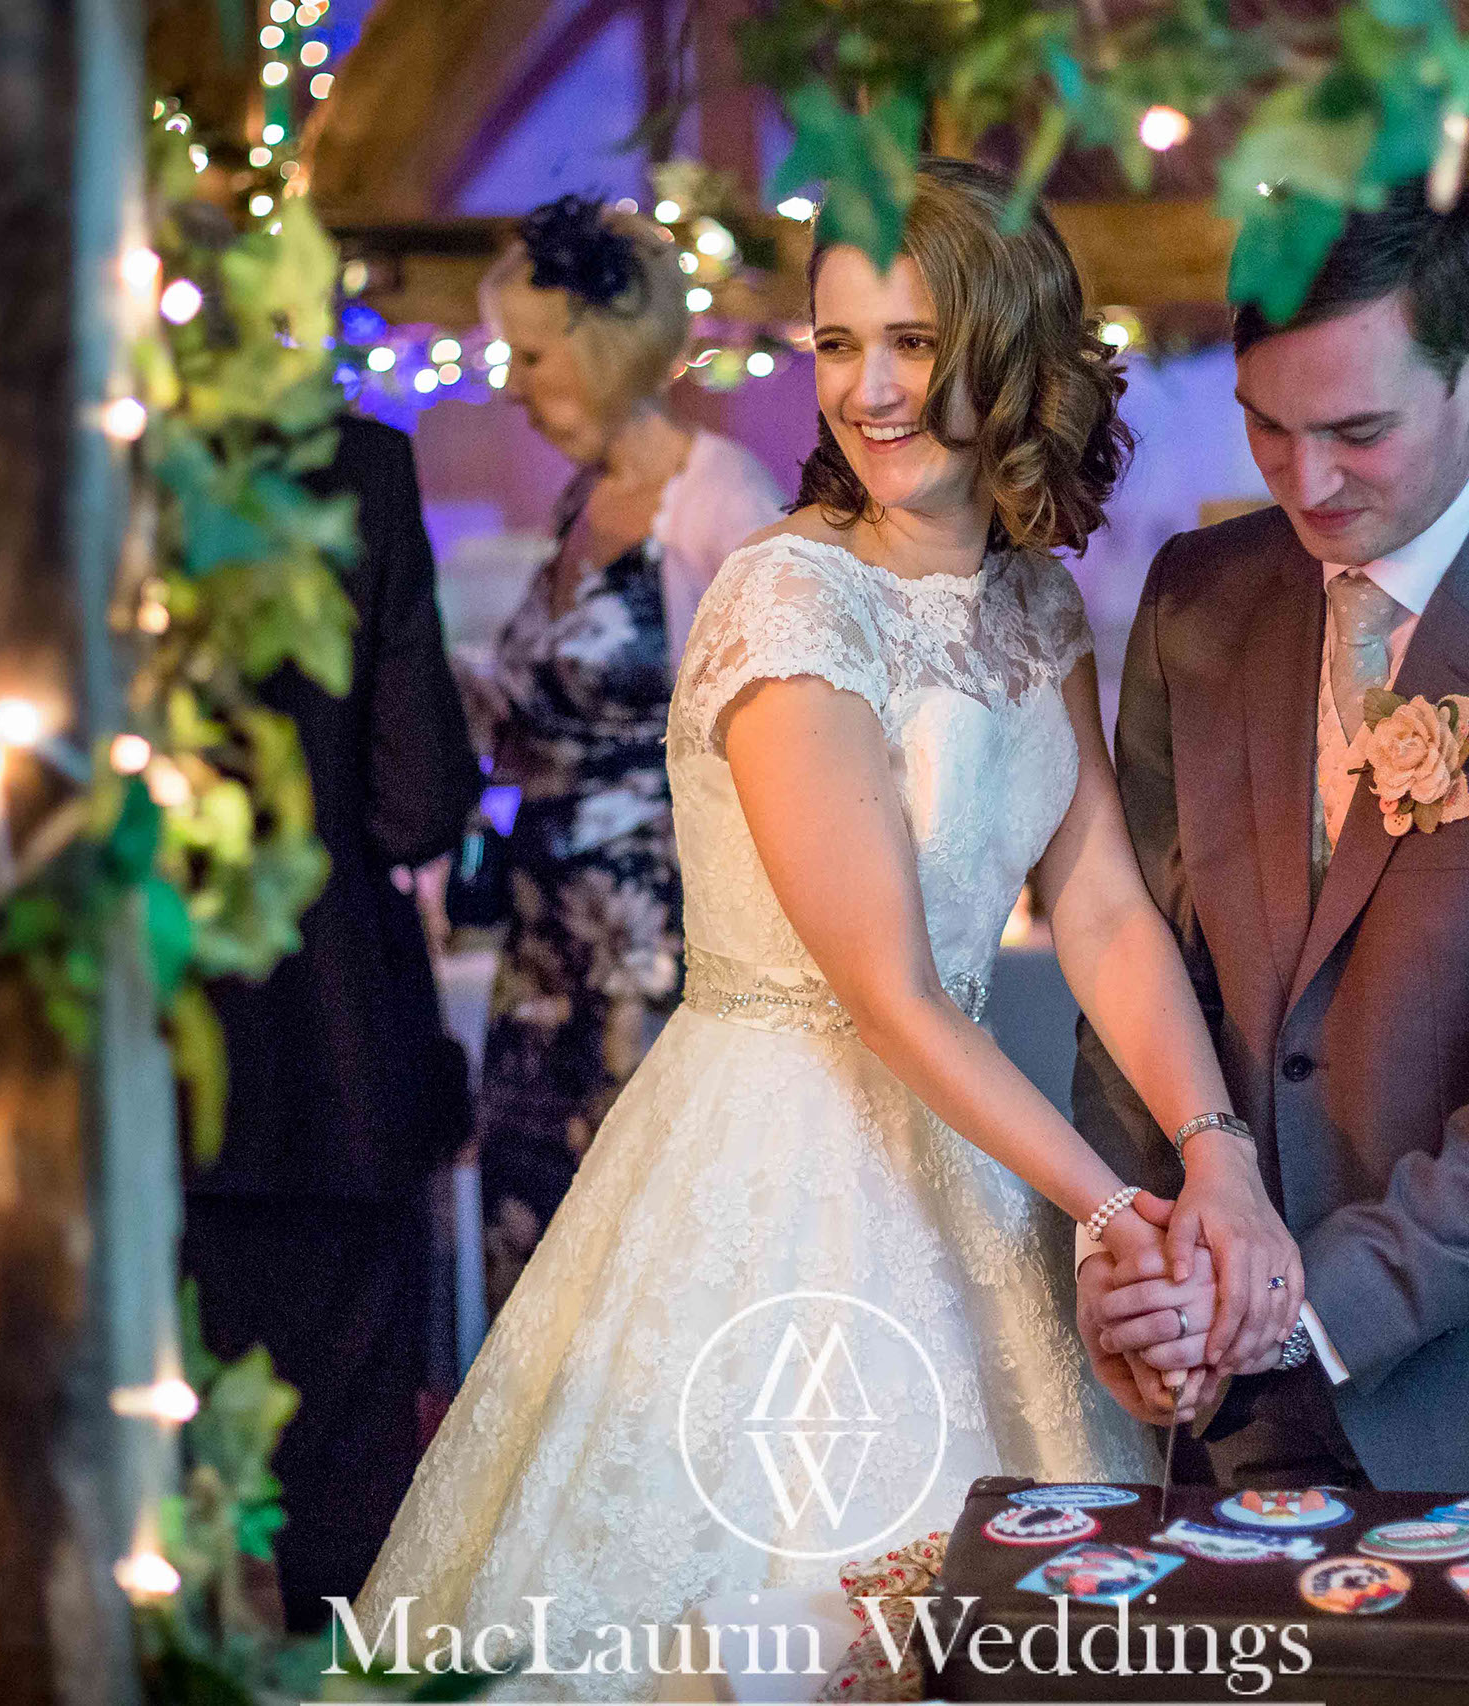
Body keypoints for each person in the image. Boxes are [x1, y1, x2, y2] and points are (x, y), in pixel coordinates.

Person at [349, 159, 1287, 1688]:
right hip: (778, 1151)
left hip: (971, 1147)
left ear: (1009, 345)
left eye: (912, 341)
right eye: (838, 344)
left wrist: (1215, 1149)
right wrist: (1122, 1210)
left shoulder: (1038, 605)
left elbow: (1106, 902)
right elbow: (890, 990)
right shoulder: (787, 597)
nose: (869, 388)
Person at [1075, 182, 1469, 1506]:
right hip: (1218, 1394)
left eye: (1356, 431)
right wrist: (1138, 1255)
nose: (1305, 480)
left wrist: (1278, 1309)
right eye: (1267, 426)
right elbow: (1137, 962)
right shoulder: (1196, 599)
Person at [183, 418, 480, 1630]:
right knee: (344, 1497)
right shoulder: (355, 464)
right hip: (333, 1040)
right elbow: (418, 801)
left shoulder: (56, 453)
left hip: (137, 1050)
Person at [468, 194, 786, 1307]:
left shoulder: (719, 497)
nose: (513, 386)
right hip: (541, 949)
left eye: (531, 356)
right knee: (532, 1260)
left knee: (639, 1270)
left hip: (652, 952)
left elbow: (773, 735)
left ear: (602, 350)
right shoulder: (581, 500)